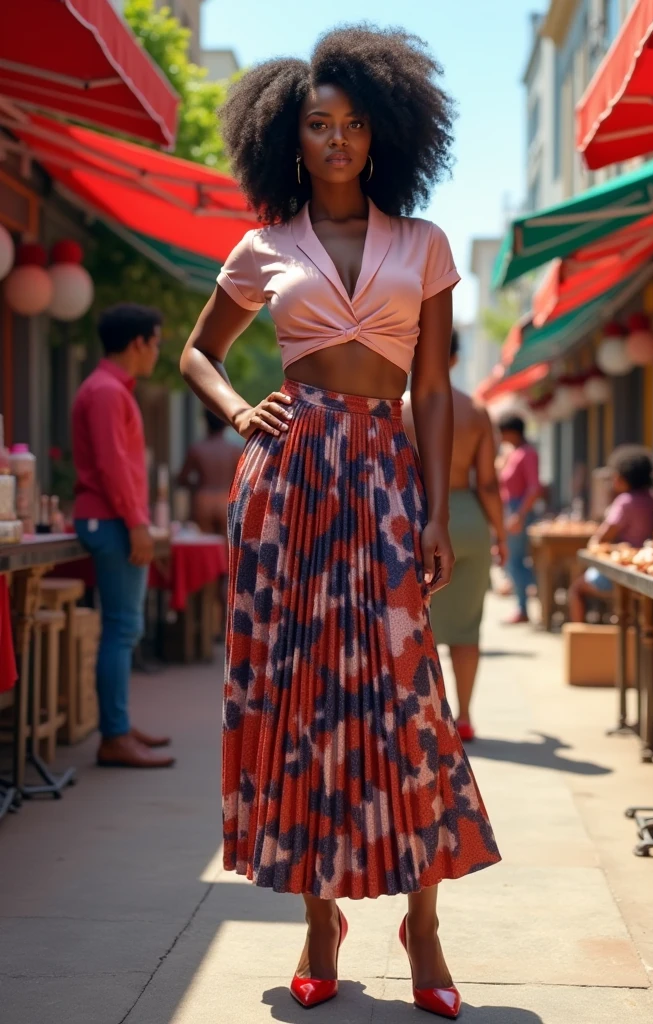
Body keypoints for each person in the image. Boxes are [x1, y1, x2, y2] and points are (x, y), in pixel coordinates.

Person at [180, 26, 499, 1019]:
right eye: (318, 125)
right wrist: (240, 412)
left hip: (388, 474)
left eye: (354, 125)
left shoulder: (424, 244)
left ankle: (425, 923)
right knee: (301, 701)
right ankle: (319, 921)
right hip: (289, 480)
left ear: (384, 134)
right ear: (290, 138)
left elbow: (436, 384)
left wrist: (438, 501)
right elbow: (198, 351)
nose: (336, 140)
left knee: (409, 703)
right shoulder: (262, 246)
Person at [72, 304, 175, 769]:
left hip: (112, 519)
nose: (156, 352)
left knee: (121, 626)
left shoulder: (106, 389)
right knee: (122, 627)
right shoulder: (108, 392)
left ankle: (119, 725)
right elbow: (114, 466)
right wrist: (137, 524)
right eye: (155, 343)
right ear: (138, 342)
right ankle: (113, 735)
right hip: (113, 522)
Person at [403, 329, 507, 742]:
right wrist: (499, 533)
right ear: (456, 359)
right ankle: (464, 717)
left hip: (416, 516)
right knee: (466, 629)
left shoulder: (399, 408)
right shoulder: (477, 410)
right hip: (467, 519)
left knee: (410, 625)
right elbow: (488, 484)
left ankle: (420, 719)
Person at [570, 448, 653, 622]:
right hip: (647, 569)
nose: (613, 480)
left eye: (615, 475)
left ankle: (580, 637)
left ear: (625, 476)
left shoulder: (624, 501)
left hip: (624, 574)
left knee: (576, 589)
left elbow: (601, 538)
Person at [498, 414, 541, 624]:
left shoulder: (527, 453)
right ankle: (523, 604)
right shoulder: (513, 453)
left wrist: (519, 515)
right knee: (511, 561)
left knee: (515, 561)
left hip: (518, 509)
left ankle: (523, 607)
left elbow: (534, 488)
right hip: (510, 507)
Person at [177, 408, 243, 533]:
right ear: (225, 423)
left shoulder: (197, 449)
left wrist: (197, 485)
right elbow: (243, 479)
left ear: (205, 422)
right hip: (226, 499)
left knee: (206, 545)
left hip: (204, 499)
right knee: (226, 548)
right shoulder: (234, 450)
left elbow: (182, 478)